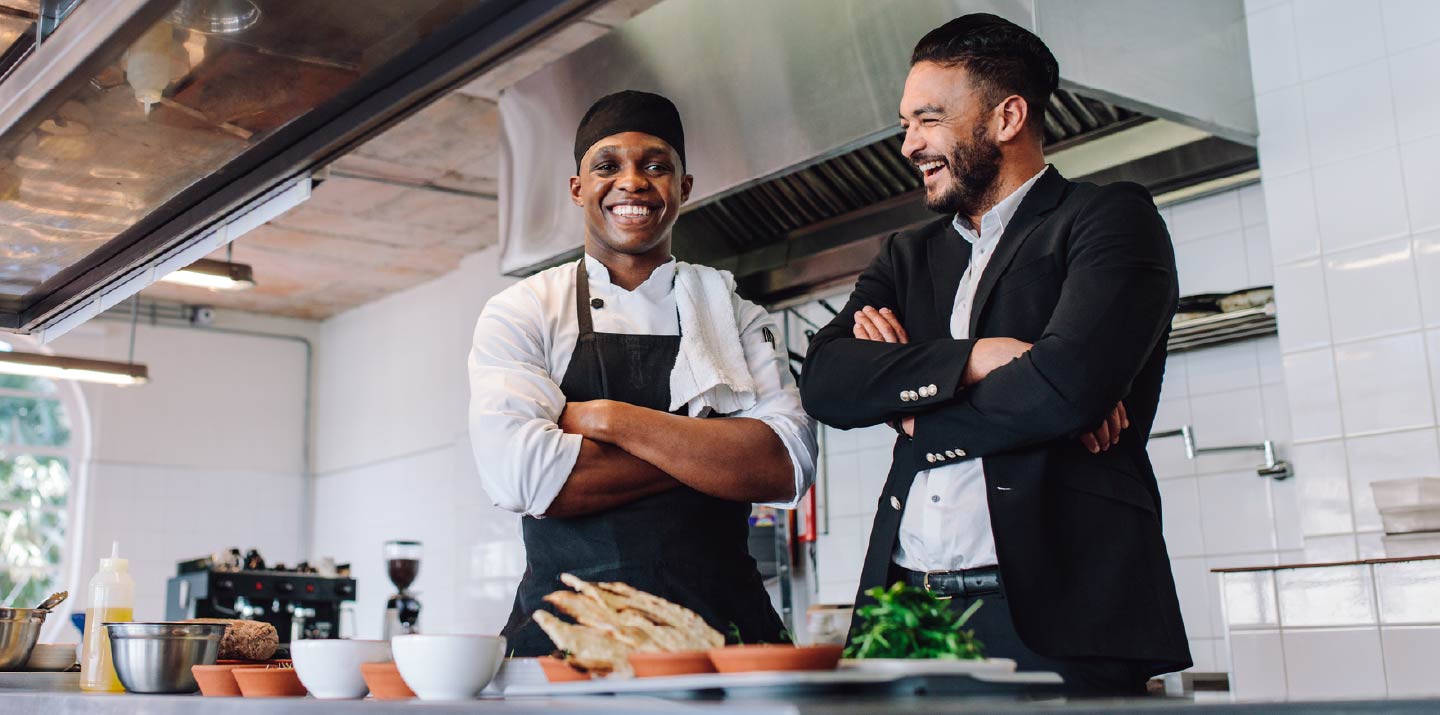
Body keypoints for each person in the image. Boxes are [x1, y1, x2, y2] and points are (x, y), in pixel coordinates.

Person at [798, 14, 1190, 695]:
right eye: (905, 125)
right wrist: (975, 359)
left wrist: (912, 411)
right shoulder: (907, 255)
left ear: (1007, 116)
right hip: (908, 607)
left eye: (927, 120)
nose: (908, 145)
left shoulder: (1107, 219)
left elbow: (1066, 386)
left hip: (1056, 613)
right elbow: (827, 383)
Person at [468, 90, 817, 656]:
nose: (632, 181)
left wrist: (608, 419)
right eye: (608, 165)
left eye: (656, 165)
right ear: (578, 188)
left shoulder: (733, 313)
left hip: (725, 637)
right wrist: (714, 449)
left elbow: (784, 466)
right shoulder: (525, 309)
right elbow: (525, 480)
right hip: (568, 640)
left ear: (683, 187)